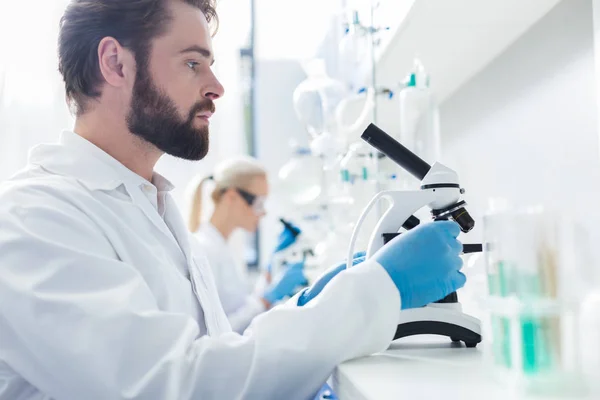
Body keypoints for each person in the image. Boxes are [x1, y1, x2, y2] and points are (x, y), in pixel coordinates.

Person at [0, 1, 467, 399]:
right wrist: (374, 288)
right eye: (192, 63)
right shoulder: (34, 217)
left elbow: (214, 351)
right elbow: (176, 384)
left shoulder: (146, 204)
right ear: (116, 64)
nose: (217, 86)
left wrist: (306, 305)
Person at [187, 156, 309, 333]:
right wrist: (267, 298)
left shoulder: (223, 246)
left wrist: (270, 268)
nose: (263, 212)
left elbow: (241, 305)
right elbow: (218, 332)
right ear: (232, 197)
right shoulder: (204, 251)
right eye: (259, 203)